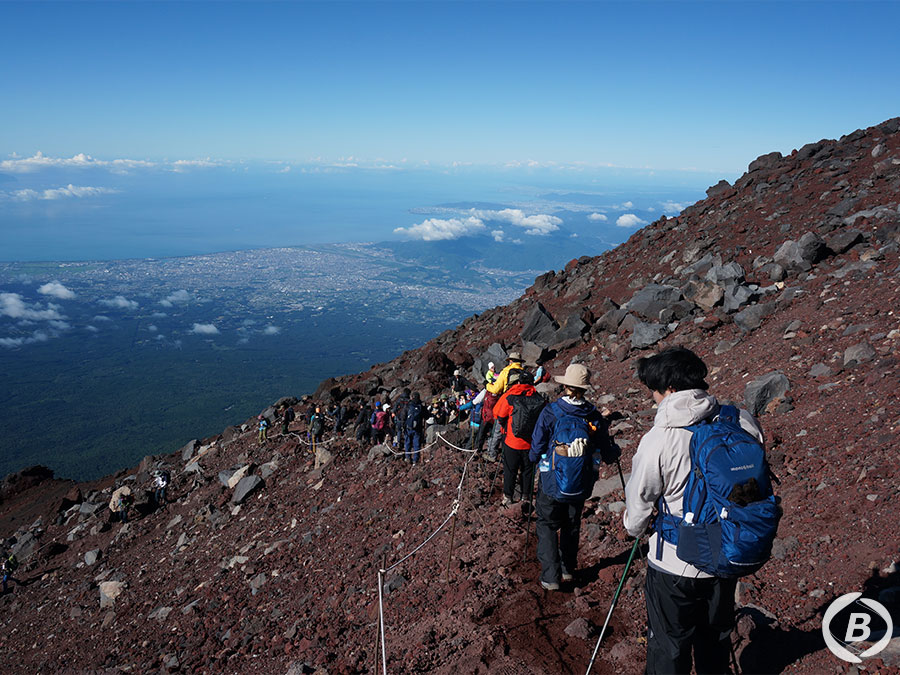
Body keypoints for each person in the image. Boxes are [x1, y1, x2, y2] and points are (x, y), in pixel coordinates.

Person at [623, 347, 764, 674]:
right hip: (727, 555)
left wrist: (634, 527)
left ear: (670, 389)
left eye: (654, 391)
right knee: (715, 638)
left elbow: (640, 502)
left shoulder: (660, 439)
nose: (653, 398)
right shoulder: (741, 420)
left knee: (669, 645)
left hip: (674, 561)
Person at [529, 363, 614, 590]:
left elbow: (536, 447)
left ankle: (550, 576)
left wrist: (533, 458)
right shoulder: (593, 415)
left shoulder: (551, 412)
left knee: (547, 524)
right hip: (580, 481)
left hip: (551, 480)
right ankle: (567, 569)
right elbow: (606, 450)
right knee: (571, 524)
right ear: (584, 388)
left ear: (565, 385)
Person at [492, 369, 544, 508]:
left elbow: (500, 417)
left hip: (512, 441)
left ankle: (508, 498)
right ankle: (526, 498)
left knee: (510, 470)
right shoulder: (539, 399)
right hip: (530, 443)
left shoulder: (511, 397)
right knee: (528, 471)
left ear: (519, 381)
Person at [485, 352, 526, 460]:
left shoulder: (506, 371)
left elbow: (496, 389)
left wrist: (487, 385)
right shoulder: (523, 372)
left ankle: (492, 453)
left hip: (507, 400)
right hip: (522, 403)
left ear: (510, 361)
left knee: (498, 427)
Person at [405, 392, 425, 465]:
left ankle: (408, 457)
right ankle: (415, 459)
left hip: (408, 428)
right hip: (418, 428)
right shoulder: (421, 406)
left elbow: (403, 415)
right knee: (416, 443)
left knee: (408, 443)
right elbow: (426, 415)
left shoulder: (408, 405)